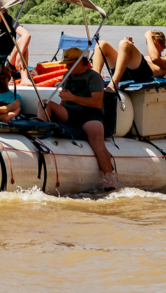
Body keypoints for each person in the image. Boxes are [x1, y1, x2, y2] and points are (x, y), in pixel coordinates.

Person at [38, 47, 118, 189]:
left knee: (98, 142)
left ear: (81, 61)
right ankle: (40, 134)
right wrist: (63, 103)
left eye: (70, 64)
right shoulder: (67, 75)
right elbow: (64, 99)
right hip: (69, 112)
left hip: (90, 115)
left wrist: (72, 98)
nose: (67, 67)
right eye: (66, 64)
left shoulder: (93, 77)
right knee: (43, 103)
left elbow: (97, 102)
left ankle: (109, 178)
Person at [95, 30, 166, 89]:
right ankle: (93, 82)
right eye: (149, 44)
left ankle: (113, 84)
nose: (151, 47)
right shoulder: (144, 57)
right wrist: (127, 48)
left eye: (155, 45)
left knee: (124, 43)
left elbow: (155, 58)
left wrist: (149, 36)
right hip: (126, 72)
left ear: (163, 46)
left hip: (143, 74)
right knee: (101, 44)